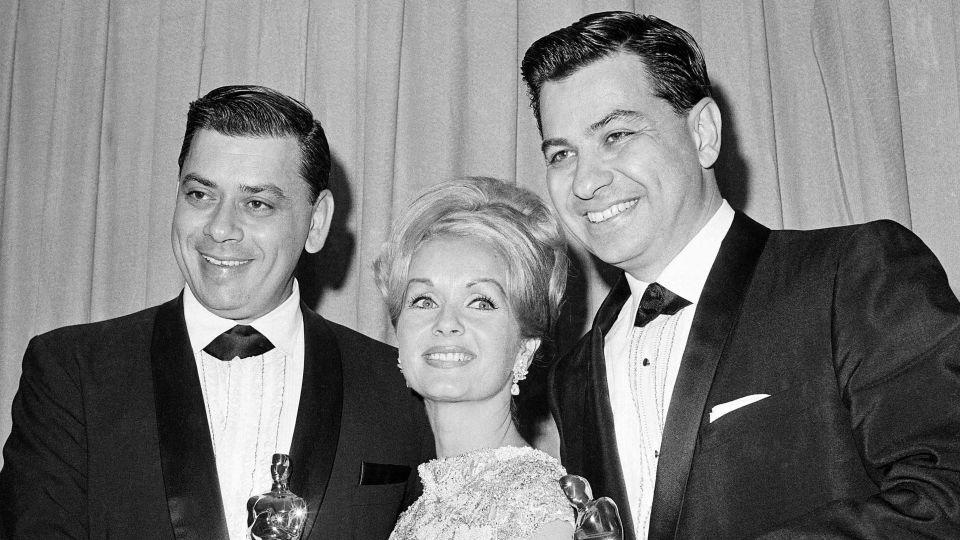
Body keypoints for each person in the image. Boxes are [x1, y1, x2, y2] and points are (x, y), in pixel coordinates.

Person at [521, 11, 960, 540]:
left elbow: (946, 496)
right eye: (563, 154)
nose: (586, 181)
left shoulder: (853, 275)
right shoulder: (573, 375)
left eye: (616, 134)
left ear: (703, 132)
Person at [0, 85, 433, 539]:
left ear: (317, 222)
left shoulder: (400, 387)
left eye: (257, 204)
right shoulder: (72, 371)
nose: (220, 228)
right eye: (200, 196)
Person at [374, 177, 575, 539]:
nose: (446, 322)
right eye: (424, 300)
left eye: (481, 302)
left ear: (525, 348)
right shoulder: (416, 514)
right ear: (399, 336)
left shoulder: (540, 509)